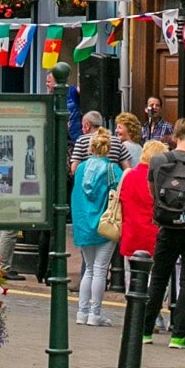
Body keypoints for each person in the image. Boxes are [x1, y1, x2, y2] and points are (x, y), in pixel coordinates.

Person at [141, 116, 185, 350]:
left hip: (166, 225)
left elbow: (153, 191)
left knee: (159, 278)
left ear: (175, 137)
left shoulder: (158, 161)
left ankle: (144, 332)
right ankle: (178, 335)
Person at [71, 126, 121, 327]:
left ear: (91, 148)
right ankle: (95, 313)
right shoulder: (112, 169)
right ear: (108, 148)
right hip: (104, 224)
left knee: (89, 269)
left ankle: (82, 312)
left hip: (83, 224)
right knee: (100, 270)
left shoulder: (81, 169)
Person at [69, 109, 104, 173]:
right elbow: (126, 168)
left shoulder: (82, 140)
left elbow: (74, 169)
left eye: (82, 126)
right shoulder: (116, 141)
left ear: (87, 126)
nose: (82, 129)